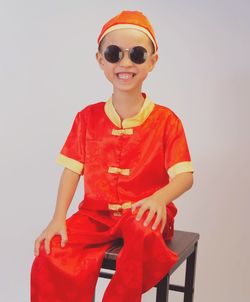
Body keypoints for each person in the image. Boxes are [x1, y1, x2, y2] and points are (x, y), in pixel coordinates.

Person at [30, 10, 194, 302]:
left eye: (138, 55)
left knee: (142, 234)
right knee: (53, 249)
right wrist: (58, 218)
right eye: (114, 53)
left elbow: (184, 176)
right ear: (100, 59)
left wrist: (159, 199)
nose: (126, 63)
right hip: (96, 215)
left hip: (145, 215)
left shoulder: (166, 121)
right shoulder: (87, 118)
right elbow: (71, 170)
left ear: (152, 61)